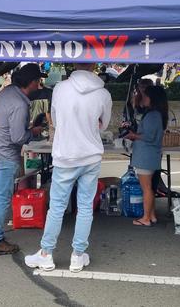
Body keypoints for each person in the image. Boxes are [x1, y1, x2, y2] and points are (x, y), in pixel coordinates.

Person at [25, 63, 112, 272]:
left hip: (65, 155)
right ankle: (78, 255)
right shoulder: (103, 93)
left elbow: (55, 119)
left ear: (73, 65)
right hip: (91, 155)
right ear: (94, 66)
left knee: (56, 207)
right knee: (84, 207)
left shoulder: (61, 89)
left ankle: (46, 253)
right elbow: (105, 124)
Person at [0, 64, 46, 256]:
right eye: (39, 80)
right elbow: (18, 137)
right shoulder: (20, 104)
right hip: (6, 153)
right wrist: (32, 131)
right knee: (3, 196)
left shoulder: (6, 91)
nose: (40, 83)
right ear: (33, 82)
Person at [124, 85, 167, 227]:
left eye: (146, 96)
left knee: (146, 188)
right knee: (149, 187)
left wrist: (133, 135)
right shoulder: (156, 114)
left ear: (152, 98)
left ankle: (146, 218)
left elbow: (148, 136)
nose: (144, 98)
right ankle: (151, 215)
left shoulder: (153, 115)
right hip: (150, 155)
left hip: (145, 156)